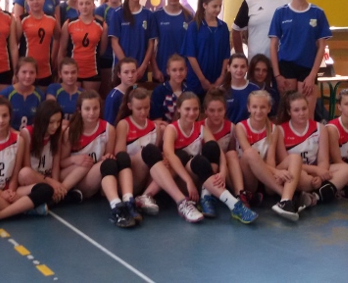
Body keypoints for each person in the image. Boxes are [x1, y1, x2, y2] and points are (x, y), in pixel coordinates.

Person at [162, 93, 258, 223]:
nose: (192, 113)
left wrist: (223, 171)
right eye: (187, 109)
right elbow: (169, 154)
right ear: (178, 109)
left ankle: (206, 197)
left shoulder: (201, 128)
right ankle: (234, 204)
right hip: (182, 180)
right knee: (198, 160)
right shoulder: (171, 129)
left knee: (211, 147)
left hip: (200, 177)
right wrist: (188, 181)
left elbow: (218, 151)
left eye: (195, 109)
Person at [115, 88, 205, 223]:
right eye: (139, 108)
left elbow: (157, 157)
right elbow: (120, 156)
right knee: (149, 151)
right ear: (130, 106)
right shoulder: (124, 124)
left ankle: (146, 195)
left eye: (146, 108)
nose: (143, 112)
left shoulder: (155, 127)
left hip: (150, 177)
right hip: (132, 176)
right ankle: (181, 201)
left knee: (178, 156)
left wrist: (164, 159)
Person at [0, 97, 54, 228]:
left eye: (5, 116)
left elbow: (15, 175)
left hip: (10, 190)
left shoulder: (19, 140)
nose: (1, 120)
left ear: (10, 117)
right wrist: (1, 194)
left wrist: (11, 192)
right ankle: (25, 208)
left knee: (46, 189)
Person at [63, 91, 139, 227]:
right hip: (74, 176)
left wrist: (108, 156)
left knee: (113, 161)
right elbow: (61, 163)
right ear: (79, 110)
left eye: (95, 108)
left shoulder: (108, 129)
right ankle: (116, 208)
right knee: (100, 164)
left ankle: (123, 203)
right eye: (87, 109)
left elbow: (108, 156)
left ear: (100, 108)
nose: (91, 113)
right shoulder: (71, 131)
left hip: (94, 177)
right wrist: (74, 160)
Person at [234, 90, 306, 221]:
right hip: (250, 179)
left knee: (295, 157)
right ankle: (286, 194)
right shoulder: (240, 127)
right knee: (250, 153)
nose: (258, 111)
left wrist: (276, 173)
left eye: (263, 107)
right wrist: (276, 172)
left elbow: (271, 158)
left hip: (267, 178)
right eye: (255, 107)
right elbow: (248, 155)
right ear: (248, 108)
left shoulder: (274, 129)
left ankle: (285, 201)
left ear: (269, 108)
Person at [275, 91, 348, 204]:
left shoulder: (320, 128)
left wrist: (320, 176)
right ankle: (330, 188)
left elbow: (323, 160)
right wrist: (316, 171)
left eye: (304, 109)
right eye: (296, 110)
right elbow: (286, 162)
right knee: (299, 177)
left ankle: (316, 195)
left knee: (347, 169)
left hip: (316, 170)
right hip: (297, 172)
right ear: (289, 112)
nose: (301, 113)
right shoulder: (280, 130)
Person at [269, 0, 331, 111]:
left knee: (307, 112)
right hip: (286, 67)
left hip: (308, 68)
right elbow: (273, 45)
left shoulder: (317, 13)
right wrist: (277, 75)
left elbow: (321, 47)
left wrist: (312, 75)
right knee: (288, 111)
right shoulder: (281, 12)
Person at [18, 100, 87, 204]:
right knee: (25, 173)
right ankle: (63, 196)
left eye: (58, 122)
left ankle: (58, 194)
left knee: (86, 163)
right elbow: (26, 167)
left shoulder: (57, 133)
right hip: (34, 179)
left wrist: (56, 183)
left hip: (49, 176)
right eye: (51, 122)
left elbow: (56, 164)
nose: (55, 126)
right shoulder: (27, 133)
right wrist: (51, 182)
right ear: (42, 120)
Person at [182, 0, 230, 96]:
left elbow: (226, 54)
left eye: (220, 6)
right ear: (205, 5)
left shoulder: (223, 27)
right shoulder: (194, 26)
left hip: (217, 79)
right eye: (214, 6)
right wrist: (202, 79)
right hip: (197, 79)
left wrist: (222, 76)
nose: (218, 9)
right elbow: (190, 55)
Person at [109, 0, 157, 82]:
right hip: (122, 70)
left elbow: (151, 44)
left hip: (140, 70)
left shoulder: (148, 14)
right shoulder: (117, 13)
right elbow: (114, 43)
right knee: (122, 93)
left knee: (139, 92)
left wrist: (143, 66)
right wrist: (128, 67)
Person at [60, 0, 106, 92]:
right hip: (72, 70)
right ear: (77, 6)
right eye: (81, 4)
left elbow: (102, 50)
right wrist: (60, 72)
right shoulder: (69, 24)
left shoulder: (102, 25)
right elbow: (62, 50)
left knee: (90, 99)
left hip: (92, 70)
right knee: (74, 99)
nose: (84, 6)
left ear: (93, 5)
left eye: (88, 3)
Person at [151, 0, 193, 82]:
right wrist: (155, 69)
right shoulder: (157, 15)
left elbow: (191, 45)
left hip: (182, 71)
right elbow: (150, 46)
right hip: (162, 68)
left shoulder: (188, 16)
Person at [18, 0, 59, 89]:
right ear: (27, 1)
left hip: (45, 68)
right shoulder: (22, 20)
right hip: (26, 69)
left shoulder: (52, 19)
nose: (35, 1)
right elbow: (14, 43)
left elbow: (58, 37)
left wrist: (53, 57)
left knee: (43, 97)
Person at [95, 0, 124, 98]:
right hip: (106, 55)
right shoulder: (100, 10)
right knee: (106, 89)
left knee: (121, 89)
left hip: (121, 54)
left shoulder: (126, 9)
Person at [0, 57, 45, 130]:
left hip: (32, 134)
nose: (28, 76)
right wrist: (15, 133)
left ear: (36, 75)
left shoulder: (40, 95)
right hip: (8, 133)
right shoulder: (5, 94)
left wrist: (28, 133)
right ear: (17, 73)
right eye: (24, 72)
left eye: (32, 72)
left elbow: (41, 121)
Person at [149, 54, 188, 128]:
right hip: (165, 129)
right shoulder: (159, 92)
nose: (178, 74)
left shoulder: (189, 90)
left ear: (186, 70)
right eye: (174, 70)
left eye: (181, 69)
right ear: (168, 71)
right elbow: (157, 121)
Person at [221, 53, 260, 125]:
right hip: (227, 130)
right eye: (235, 66)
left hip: (249, 129)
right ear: (228, 67)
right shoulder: (221, 91)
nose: (239, 70)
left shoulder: (255, 90)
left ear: (247, 68)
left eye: (243, 66)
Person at [46, 58, 83, 122]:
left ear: (78, 73)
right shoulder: (53, 88)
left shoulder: (82, 93)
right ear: (60, 74)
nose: (70, 76)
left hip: (76, 126)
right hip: (57, 125)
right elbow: (50, 111)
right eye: (66, 73)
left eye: (73, 72)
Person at [103, 58, 137, 126]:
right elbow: (109, 124)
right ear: (119, 74)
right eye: (126, 72)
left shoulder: (137, 89)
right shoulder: (113, 97)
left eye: (133, 72)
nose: (130, 76)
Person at [248, 54, 280, 118]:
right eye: (257, 70)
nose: (260, 73)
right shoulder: (245, 90)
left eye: (264, 70)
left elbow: (275, 115)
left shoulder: (272, 92)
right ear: (251, 70)